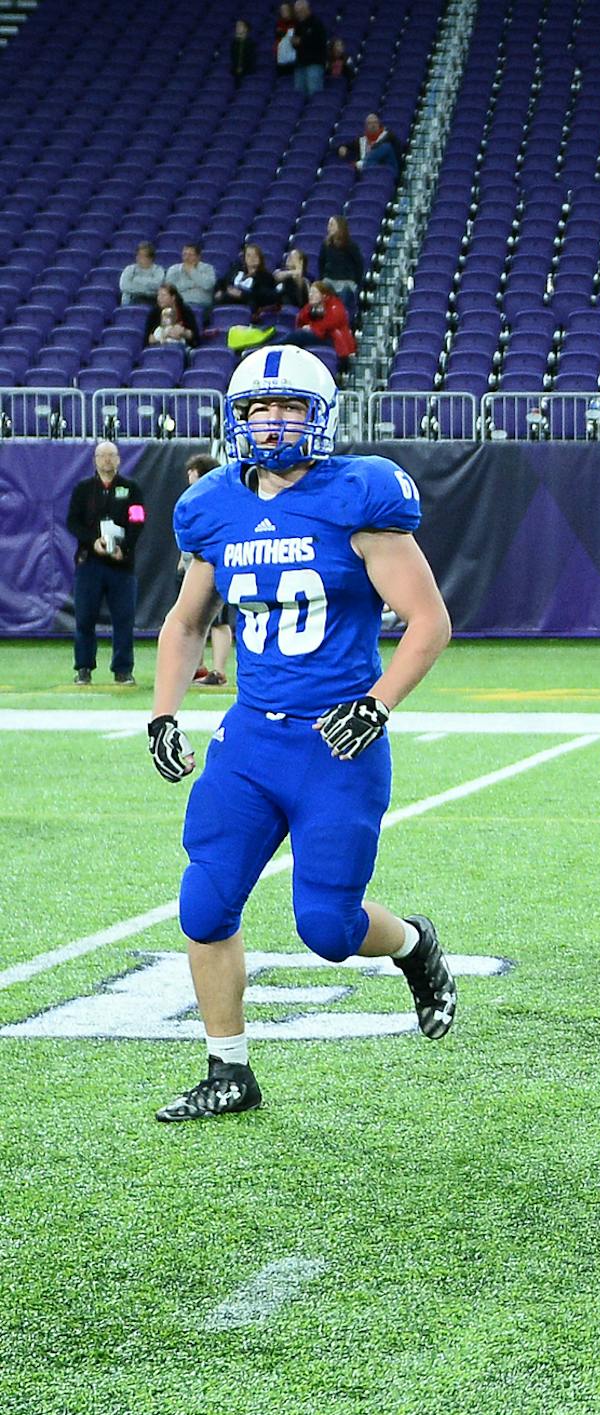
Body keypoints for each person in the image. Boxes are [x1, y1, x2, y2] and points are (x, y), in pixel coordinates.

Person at [148, 346, 458, 1122]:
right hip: (250, 740)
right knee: (205, 901)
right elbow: (187, 622)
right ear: (238, 418)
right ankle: (229, 1070)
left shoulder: (358, 495)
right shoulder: (214, 505)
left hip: (337, 744)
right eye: (260, 408)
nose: (273, 422)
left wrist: (379, 703)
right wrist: (163, 711)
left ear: (319, 417)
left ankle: (414, 946)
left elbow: (429, 622)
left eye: (289, 407)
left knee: (327, 927)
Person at [68, 441, 146, 687]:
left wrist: (125, 549)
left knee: (124, 619)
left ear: (119, 459)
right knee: (84, 617)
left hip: (121, 566)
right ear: (94, 460)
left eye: (111, 455)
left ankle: (123, 669)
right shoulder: (83, 489)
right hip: (90, 563)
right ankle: (83, 668)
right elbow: (73, 522)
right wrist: (94, 542)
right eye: (102, 456)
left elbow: (138, 519)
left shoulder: (131, 488)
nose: (107, 460)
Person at [175, 454, 235, 688]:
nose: (189, 477)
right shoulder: (193, 499)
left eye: (192, 472)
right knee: (191, 620)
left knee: (218, 621)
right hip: (192, 566)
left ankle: (218, 670)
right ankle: (195, 666)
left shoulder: (218, 497)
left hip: (214, 566)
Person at [319, 217, 366, 305]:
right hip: (329, 279)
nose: (328, 227)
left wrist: (357, 282)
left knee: (345, 292)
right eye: (328, 225)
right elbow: (321, 263)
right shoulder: (325, 245)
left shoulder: (351, 246)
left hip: (346, 281)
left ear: (340, 226)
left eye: (332, 224)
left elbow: (359, 265)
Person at [169, 243, 218, 311]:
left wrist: (191, 271)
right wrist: (193, 284)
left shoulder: (208, 268)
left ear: (198, 257)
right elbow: (170, 289)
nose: (186, 258)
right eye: (184, 254)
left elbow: (207, 285)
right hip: (179, 304)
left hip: (201, 304)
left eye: (190, 255)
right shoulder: (174, 269)